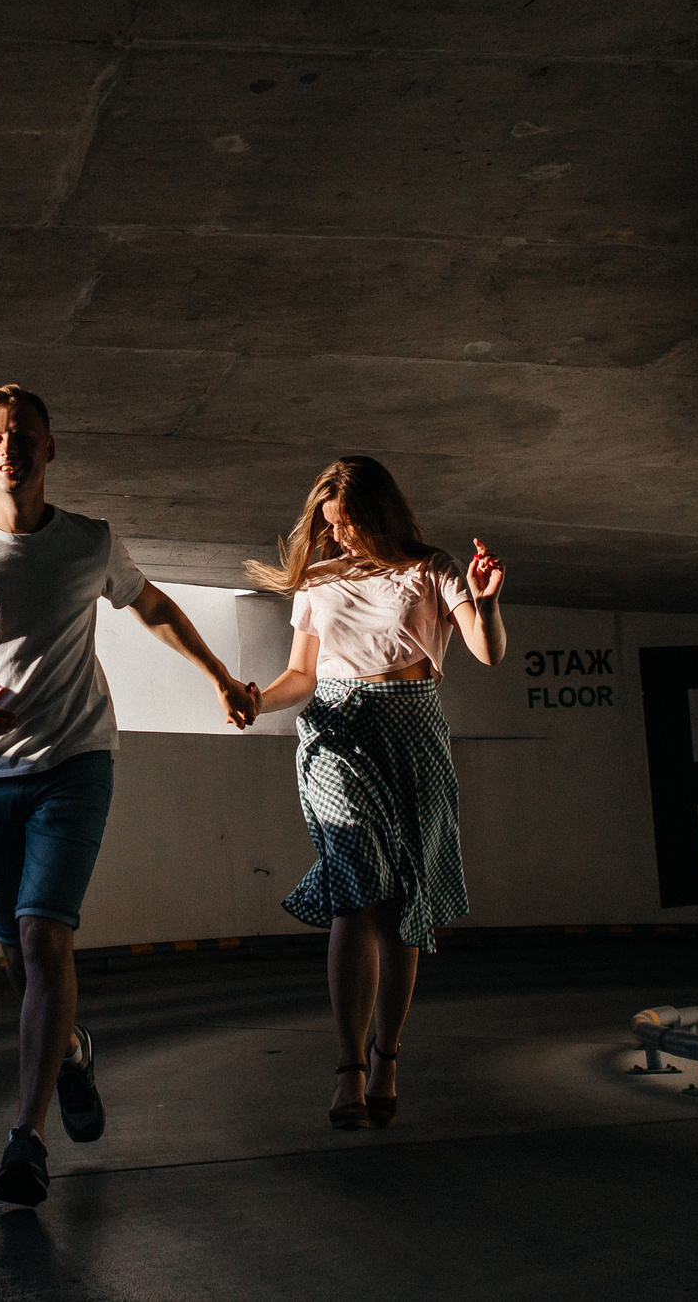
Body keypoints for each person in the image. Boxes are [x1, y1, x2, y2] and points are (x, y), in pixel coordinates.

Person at [0, 383, 257, 1207]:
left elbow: (152, 603)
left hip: (73, 762)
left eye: (22, 434)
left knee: (42, 933)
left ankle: (26, 1137)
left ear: (50, 448)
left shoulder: (90, 542)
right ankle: (70, 1055)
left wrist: (219, 676)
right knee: (15, 957)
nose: (7, 448)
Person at [241, 455, 506, 1130]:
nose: (339, 539)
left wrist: (486, 601)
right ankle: (347, 1066)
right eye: (330, 527)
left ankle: (387, 1054)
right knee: (354, 887)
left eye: (349, 524)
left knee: (397, 905)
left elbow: (488, 649)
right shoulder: (318, 581)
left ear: (379, 512)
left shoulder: (431, 567)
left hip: (411, 730)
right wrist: (257, 699)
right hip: (335, 730)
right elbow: (300, 675)